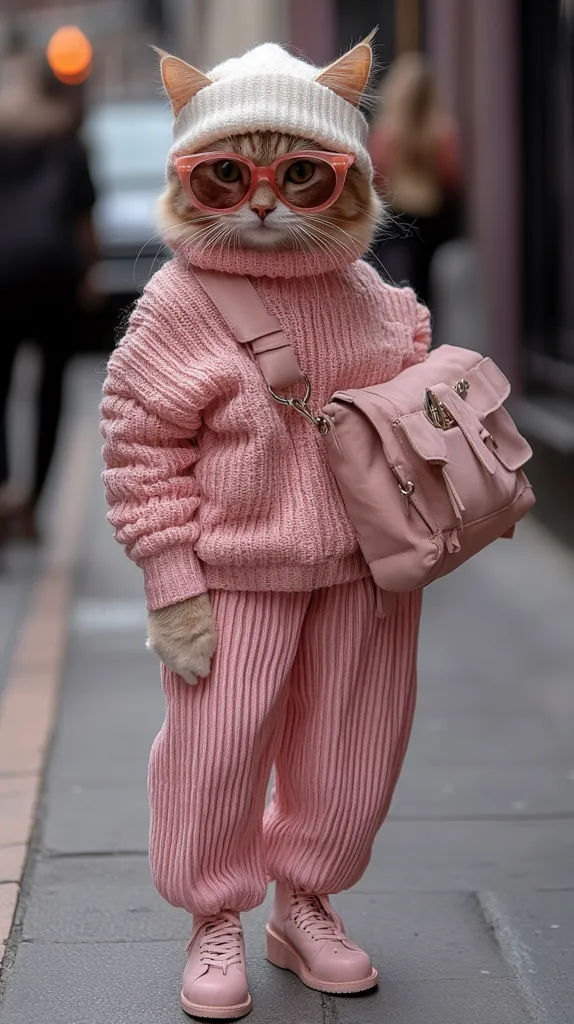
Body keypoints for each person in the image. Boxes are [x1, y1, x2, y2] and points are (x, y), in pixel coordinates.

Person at [101, 37, 429, 1020]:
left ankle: (307, 901)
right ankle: (213, 915)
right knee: (214, 750)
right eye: (224, 175)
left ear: (350, 176)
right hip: (232, 572)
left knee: (352, 749)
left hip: (365, 571)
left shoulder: (372, 297)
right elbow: (137, 454)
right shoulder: (179, 303)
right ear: (188, 176)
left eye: (300, 175)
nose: (261, 200)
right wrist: (171, 582)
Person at [0, 52, 98, 541]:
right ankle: (33, 502)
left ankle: (2, 490)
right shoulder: (67, 135)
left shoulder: (3, 132)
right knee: (50, 390)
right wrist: (90, 270)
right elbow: (84, 216)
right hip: (55, 272)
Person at [368, 51, 462, 309]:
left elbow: (376, 176)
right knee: (427, 288)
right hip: (433, 217)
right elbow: (451, 178)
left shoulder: (386, 134)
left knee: (392, 279)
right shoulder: (443, 132)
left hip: (396, 215)